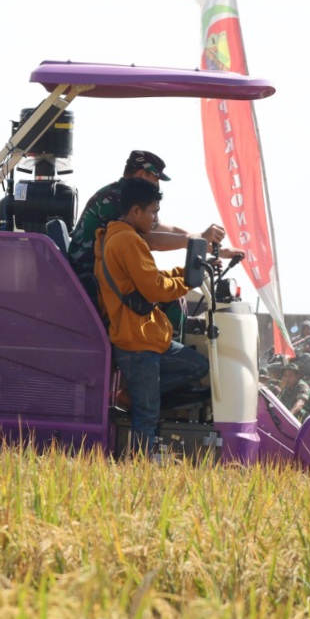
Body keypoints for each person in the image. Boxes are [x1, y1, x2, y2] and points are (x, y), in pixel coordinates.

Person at [95, 177, 212, 457]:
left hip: (146, 338)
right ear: (136, 211)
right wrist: (189, 282)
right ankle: (140, 470)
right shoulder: (127, 240)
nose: (155, 219)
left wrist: (186, 274)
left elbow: (151, 279)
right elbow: (156, 289)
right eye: (152, 212)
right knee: (147, 415)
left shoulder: (121, 237)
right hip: (137, 343)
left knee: (196, 366)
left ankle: (133, 393)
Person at [67, 150, 238, 309]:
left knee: (171, 296)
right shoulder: (116, 198)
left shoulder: (126, 196)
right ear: (141, 174)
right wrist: (198, 239)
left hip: (106, 275)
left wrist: (209, 245)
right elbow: (148, 241)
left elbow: (164, 228)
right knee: (171, 302)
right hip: (90, 278)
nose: (157, 186)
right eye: (155, 179)